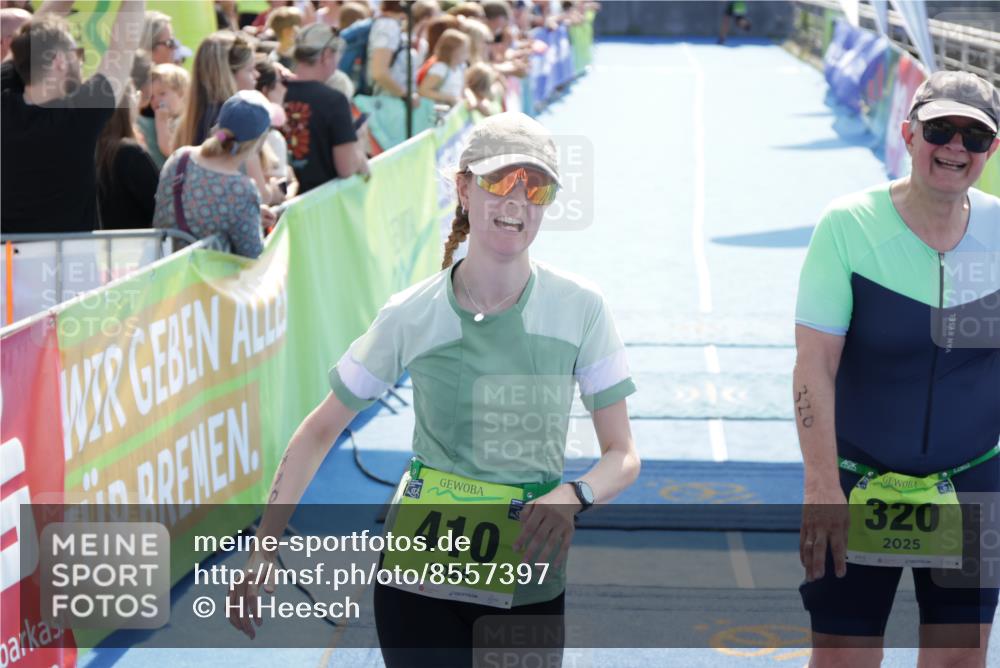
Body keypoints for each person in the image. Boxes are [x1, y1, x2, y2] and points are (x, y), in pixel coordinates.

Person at [227, 112, 640, 666]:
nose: (517, 201)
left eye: (537, 187)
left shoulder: (582, 308)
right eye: (500, 180)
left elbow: (622, 454)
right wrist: (264, 549)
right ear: (464, 189)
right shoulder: (410, 313)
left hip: (526, 582)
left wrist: (574, 495)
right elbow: (320, 430)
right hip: (416, 583)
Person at [795, 70, 1000, 667]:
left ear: (991, 150)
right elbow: (815, 364)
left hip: (972, 482)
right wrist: (821, 486)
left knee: (959, 660)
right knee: (843, 659)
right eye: (939, 130)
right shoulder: (848, 224)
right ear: (909, 134)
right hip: (856, 482)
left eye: (973, 136)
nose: (955, 147)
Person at [1, 1, 146, 234]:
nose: (81, 61)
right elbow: (123, 47)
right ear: (59, 60)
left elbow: (25, 44)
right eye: (77, 54)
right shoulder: (79, 116)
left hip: (8, 256)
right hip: (70, 257)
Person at [153, 90, 272, 259]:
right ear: (259, 142)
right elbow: (252, 254)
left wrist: (251, 213)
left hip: (163, 268)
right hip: (207, 275)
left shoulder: (180, 158)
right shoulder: (241, 189)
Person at [282, 23, 367, 193]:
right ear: (327, 55)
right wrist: (359, 152)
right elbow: (346, 168)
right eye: (337, 58)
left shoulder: (274, 91)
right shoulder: (334, 100)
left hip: (282, 199)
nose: (336, 66)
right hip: (321, 201)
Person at [174, 30, 257, 149]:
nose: (257, 74)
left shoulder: (190, 120)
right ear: (227, 75)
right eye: (250, 69)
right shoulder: (230, 122)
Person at [96, 82, 158, 229]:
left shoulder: (91, 150)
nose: (139, 99)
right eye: (135, 94)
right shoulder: (130, 154)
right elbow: (159, 206)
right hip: (135, 242)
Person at [137, 63, 189, 169]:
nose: (156, 100)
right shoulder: (172, 119)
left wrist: (161, 122)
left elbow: (170, 150)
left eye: (162, 93)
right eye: (151, 97)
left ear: (182, 93)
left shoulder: (183, 121)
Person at [417, 28, 468, 106]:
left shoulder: (461, 68)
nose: (467, 54)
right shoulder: (441, 68)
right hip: (438, 110)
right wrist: (449, 98)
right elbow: (423, 91)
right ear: (453, 51)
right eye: (463, 50)